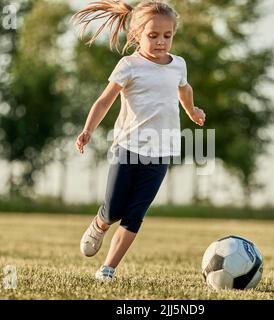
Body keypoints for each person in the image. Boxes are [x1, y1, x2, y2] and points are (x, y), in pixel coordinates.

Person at [72, 0, 206, 281]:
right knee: (114, 209)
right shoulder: (129, 65)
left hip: (162, 152)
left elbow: (184, 88)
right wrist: (87, 130)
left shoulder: (178, 65)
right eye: (153, 35)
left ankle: (108, 269)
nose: (161, 42)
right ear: (137, 35)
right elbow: (104, 100)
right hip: (128, 148)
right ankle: (100, 223)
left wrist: (191, 110)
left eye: (167, 36)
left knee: (135, 214)